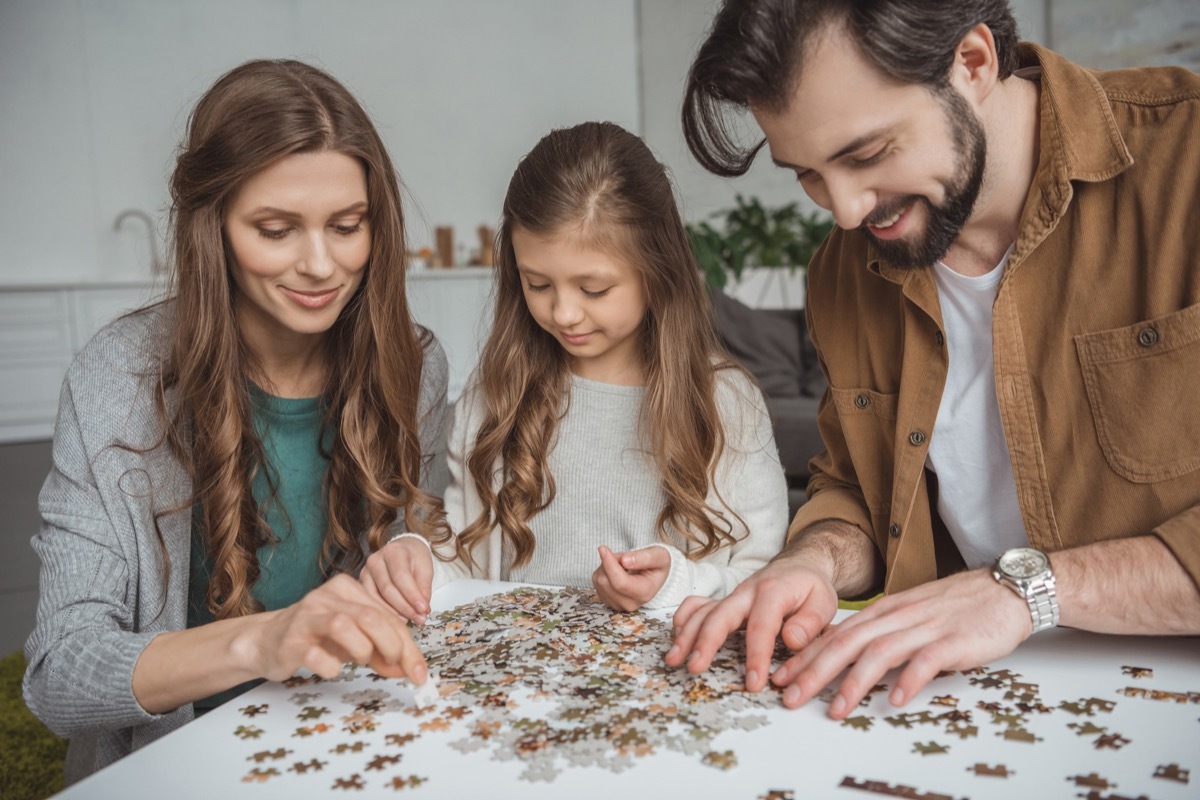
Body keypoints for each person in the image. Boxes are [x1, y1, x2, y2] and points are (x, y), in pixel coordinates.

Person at [667, 0, 1200, 716]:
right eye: (808, 174)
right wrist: (812, 560)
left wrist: (1024, 590)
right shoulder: (843, 271)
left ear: (973, 62)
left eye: (865, 155)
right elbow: (856, 487)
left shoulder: (1186, 167)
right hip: (962, 712)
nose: (848, 211)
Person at [23, 59, 447, 782]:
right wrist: (260, 642)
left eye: (348, 227)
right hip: (175, 766)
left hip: (342, 741)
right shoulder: (117, 378)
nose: (322, 264)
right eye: (277, 229)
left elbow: (416, 532)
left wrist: (412, 551)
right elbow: (60, 672)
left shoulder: (413, 364)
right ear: (211, 226)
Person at [360, 121, 788, 617]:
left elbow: (764, 574)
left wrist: (676, 585)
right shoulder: (496, 392)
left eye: (593, 290)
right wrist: (419, 559)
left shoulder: (726, 402)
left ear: (657, 272)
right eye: (538, 284)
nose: (563, 313)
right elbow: (462, 559)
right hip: (517, 682)